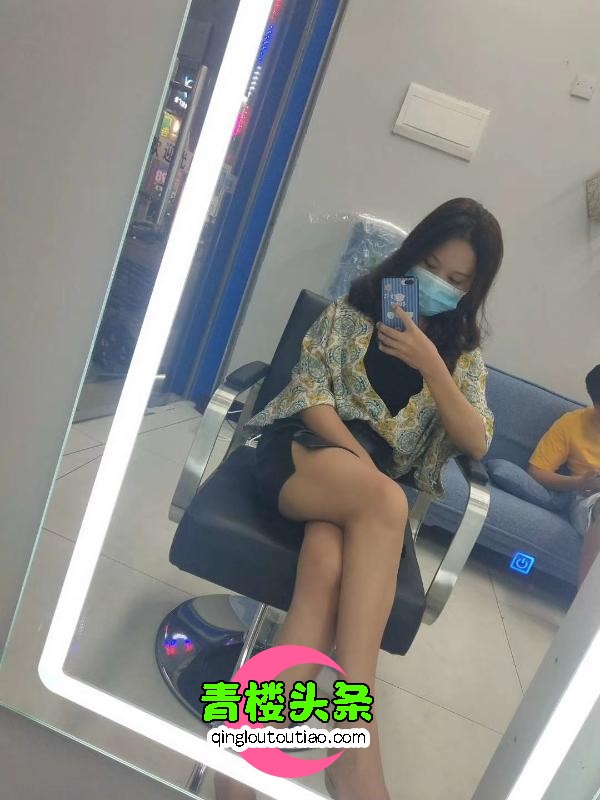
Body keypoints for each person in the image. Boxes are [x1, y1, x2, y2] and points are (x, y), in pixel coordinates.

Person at [215, 198, 503, 800]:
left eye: (456, 280)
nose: (439, 284)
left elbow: (476, 439)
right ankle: (354, 741)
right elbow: (309, 397)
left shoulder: (461, 358)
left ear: (472, 290)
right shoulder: (351, 312)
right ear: (412, 254)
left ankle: (242, 763)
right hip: (304, 453)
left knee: (324, 573)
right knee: (386, 503)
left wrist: (434, 367)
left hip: (361, 501)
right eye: (431, 266)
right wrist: (360, 466)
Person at [528, 365, 600, 587]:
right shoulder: (572, 424)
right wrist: (580, 482)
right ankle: (584, 601)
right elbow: (537, 471)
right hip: (588, 499)